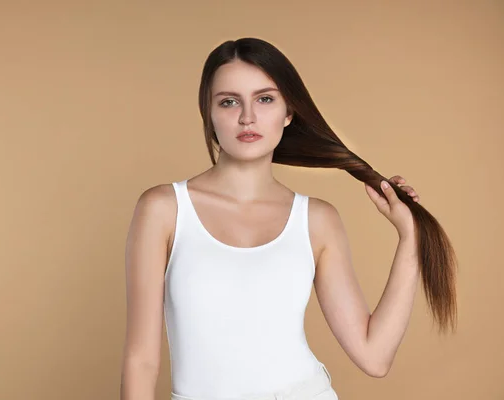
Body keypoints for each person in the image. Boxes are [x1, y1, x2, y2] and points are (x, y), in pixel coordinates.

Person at [121, 37, 457, 400]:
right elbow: (141, 362)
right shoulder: (164, 209)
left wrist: (410, 237)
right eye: (229, 101)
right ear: (209, 113)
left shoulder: (316, 220)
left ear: (288, 112)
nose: (247, 116)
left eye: (265, 99)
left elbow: (374, 356)